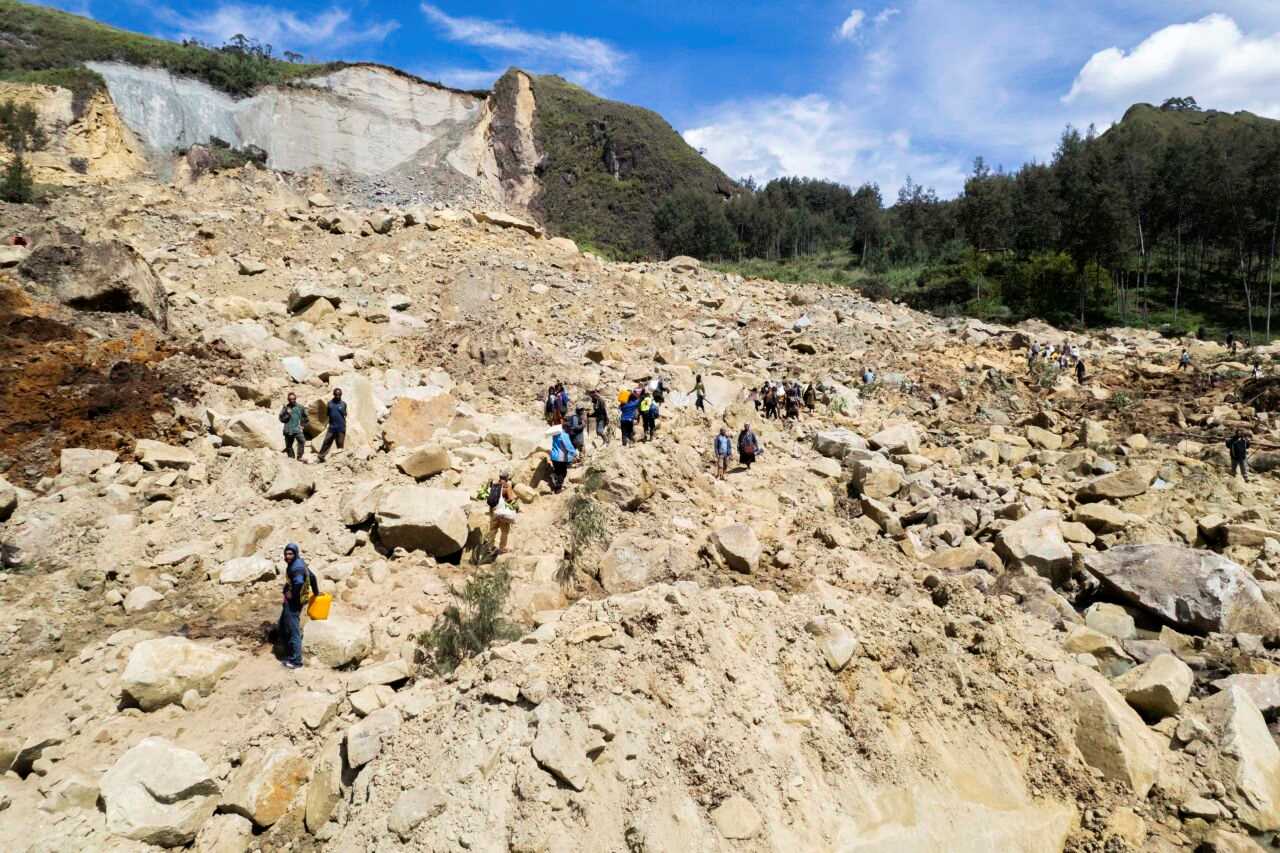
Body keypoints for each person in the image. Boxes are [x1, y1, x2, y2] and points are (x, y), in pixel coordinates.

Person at [278, 543, 318, 669]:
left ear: (295, 554)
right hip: (297, 600)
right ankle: (289, 652)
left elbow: (299, 582)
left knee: (293, 630)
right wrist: (316, 592)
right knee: (284, 624)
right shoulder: (301, 563)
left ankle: (296, 661)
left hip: (294, 603)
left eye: (290, 554)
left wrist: (292, 595)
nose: (287, 556)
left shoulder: (296, 568)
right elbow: (312, 576)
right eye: (286, 553)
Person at [487, 472, 517, 554]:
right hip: (502, 512)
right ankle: (502, 548)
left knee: (493, 529)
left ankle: (490, 547)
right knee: (504, 531)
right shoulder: (506, 486)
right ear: (507, 478)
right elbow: (511, 499)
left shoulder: (494, 484)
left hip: (493, 510)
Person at [317, 388, 347, 462]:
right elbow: (328, 414)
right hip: (332, 427)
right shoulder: (330, 404)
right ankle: (321, 457)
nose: (338, 396)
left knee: (340, 444)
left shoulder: (343, 404)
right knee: (326, 441)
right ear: (334, 394)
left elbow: (345, 414)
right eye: (336, 394)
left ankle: (340, 460)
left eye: (339, 395)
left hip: (341, 427)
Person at [279, 392, 309, 461]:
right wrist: (288, 415)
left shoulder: (300, 407)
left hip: (297, 429)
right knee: (289, 446)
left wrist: (302, 425)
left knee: (302, 441)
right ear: (288, 400)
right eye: (290, 399)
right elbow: (281, 419)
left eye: (294, 399)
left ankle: (299, 457)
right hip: (288, 429)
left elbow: (306, 418)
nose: (292, 400)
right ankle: (291, 459)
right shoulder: (285, 408)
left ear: (296, 399)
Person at [548, 426, 577, 492]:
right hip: (561, 458)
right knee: (563, 472)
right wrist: (574, 453)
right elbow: (568, 446)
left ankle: (554, 476)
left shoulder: (555, 435)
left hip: (554, 457)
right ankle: (558, 489)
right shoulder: (564, 435)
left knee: (558, 470)